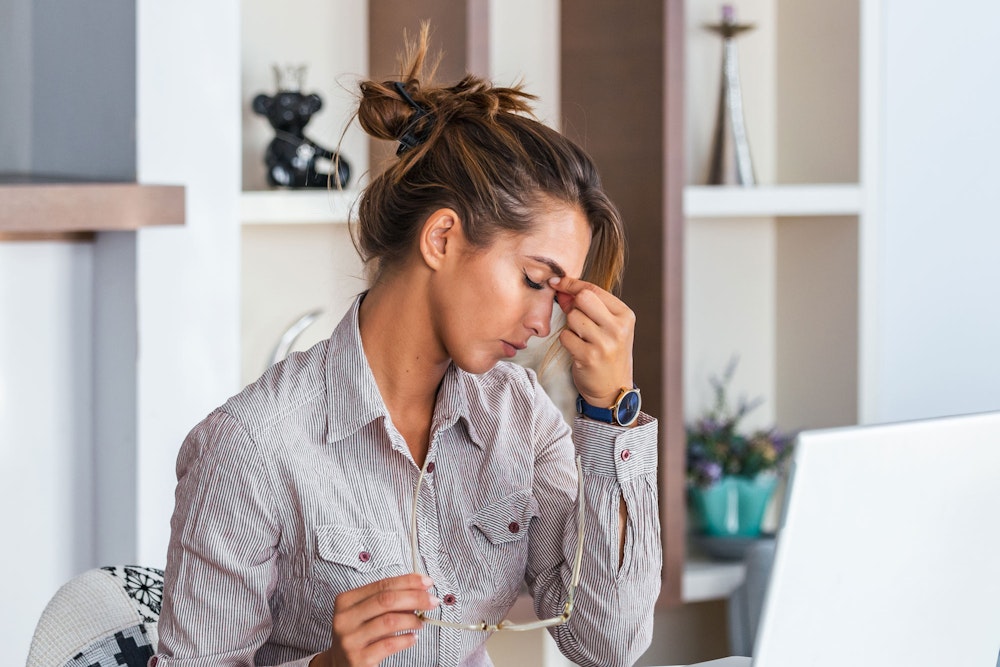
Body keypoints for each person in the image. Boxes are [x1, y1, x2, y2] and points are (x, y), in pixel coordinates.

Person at [153, 25, 661, 667]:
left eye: (556, 295)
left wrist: (611, 413)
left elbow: (607, 645)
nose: (544, 323)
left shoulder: (520, 418)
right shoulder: (253, 446)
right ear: (442, 238)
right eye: (535, 280)